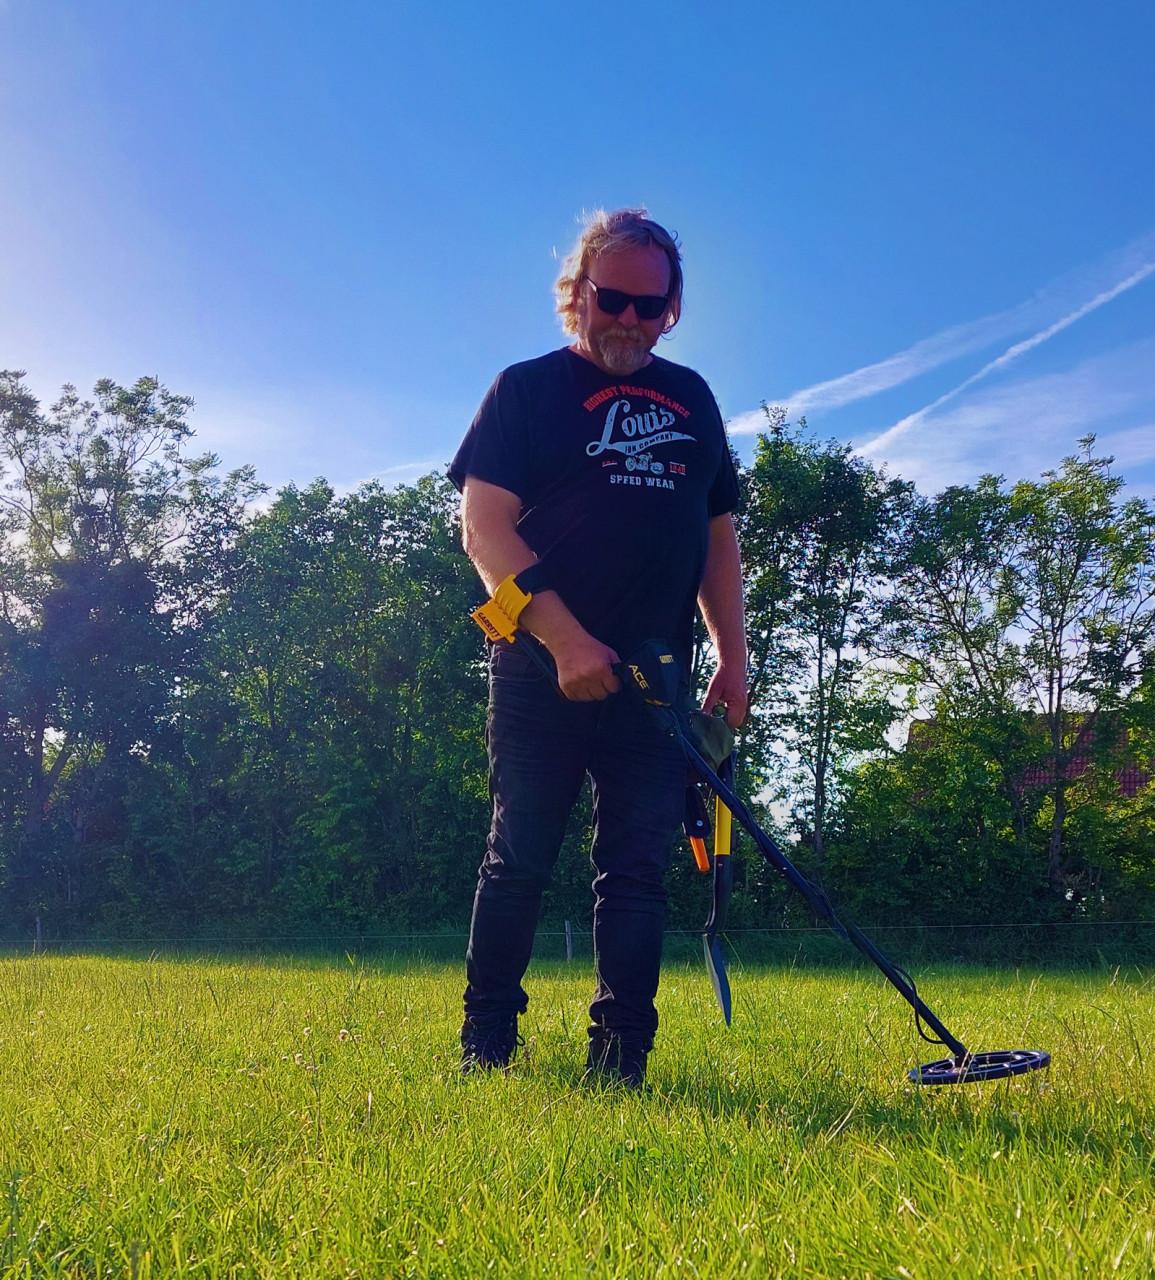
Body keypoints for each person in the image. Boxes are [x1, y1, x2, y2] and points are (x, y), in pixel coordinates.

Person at [448, 208, 747, 1087]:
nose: (628, 320)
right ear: (576, 295)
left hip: (658, 675)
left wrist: (732, 657)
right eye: (610, 299)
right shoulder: (526, 389)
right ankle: (487, 1051)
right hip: (542, 667)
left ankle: (620, 1065)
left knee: (637, 873)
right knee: (519, 857)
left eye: (648, 308)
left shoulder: (690, 399)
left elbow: (716, 536)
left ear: (672, 311)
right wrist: (565, 639)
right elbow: (484, 528)